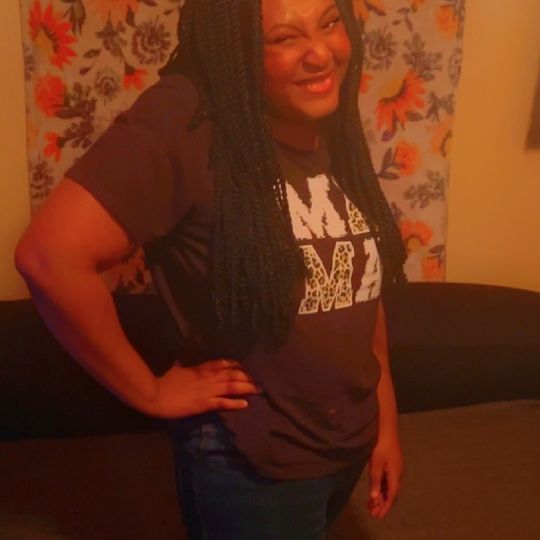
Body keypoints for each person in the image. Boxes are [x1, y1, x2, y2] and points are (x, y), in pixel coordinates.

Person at [15, 0, 407, 537]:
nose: (321, 53)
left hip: (345, 446)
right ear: (235, 46)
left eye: (331, 23)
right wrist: (150, 393)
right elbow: (49, 257)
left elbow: (357, 284)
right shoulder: (187, 115)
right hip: (253, 467)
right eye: (285, 38)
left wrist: (385, 423)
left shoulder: (322, 112)